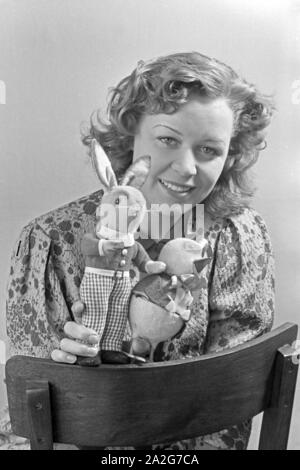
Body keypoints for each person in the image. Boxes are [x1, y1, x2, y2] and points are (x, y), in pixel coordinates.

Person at [4, 52, 275, 450]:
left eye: (209, 150)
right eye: (168, 139)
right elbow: (31, 417)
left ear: (230, 155)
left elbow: (230, 406)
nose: (186, 168)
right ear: (131, 133)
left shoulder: (240, 235)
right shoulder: (49, 241)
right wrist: (63, 363)